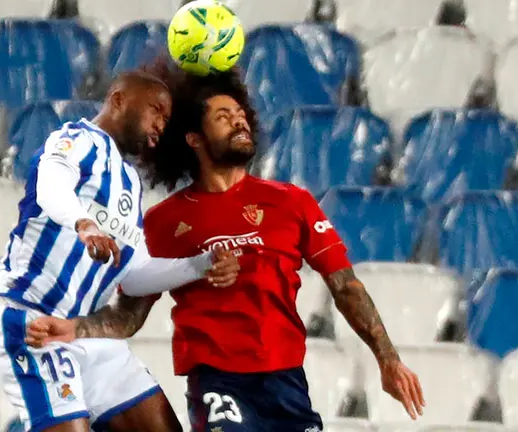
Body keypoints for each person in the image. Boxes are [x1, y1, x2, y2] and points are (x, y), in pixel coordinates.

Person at [25, 62, 425, 431]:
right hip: (217, 382)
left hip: (288, 384)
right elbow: (128, 316)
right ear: (194, 139)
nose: (239, 123)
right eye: (223, 117)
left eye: (241, 117)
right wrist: (75, 329)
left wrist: (387, 359)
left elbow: (346, 286)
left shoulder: (292, 202)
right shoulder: (164, 222)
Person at [0, 70, 240, 432]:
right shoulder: (77, 138)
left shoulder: (128, 182)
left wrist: (202, 265)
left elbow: (134, 274)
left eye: (167, 120)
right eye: (156, 110)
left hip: (85, 332)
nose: (161, 124)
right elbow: (51, 183)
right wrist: (82, 223)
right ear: (119, 100)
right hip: (35, 323)